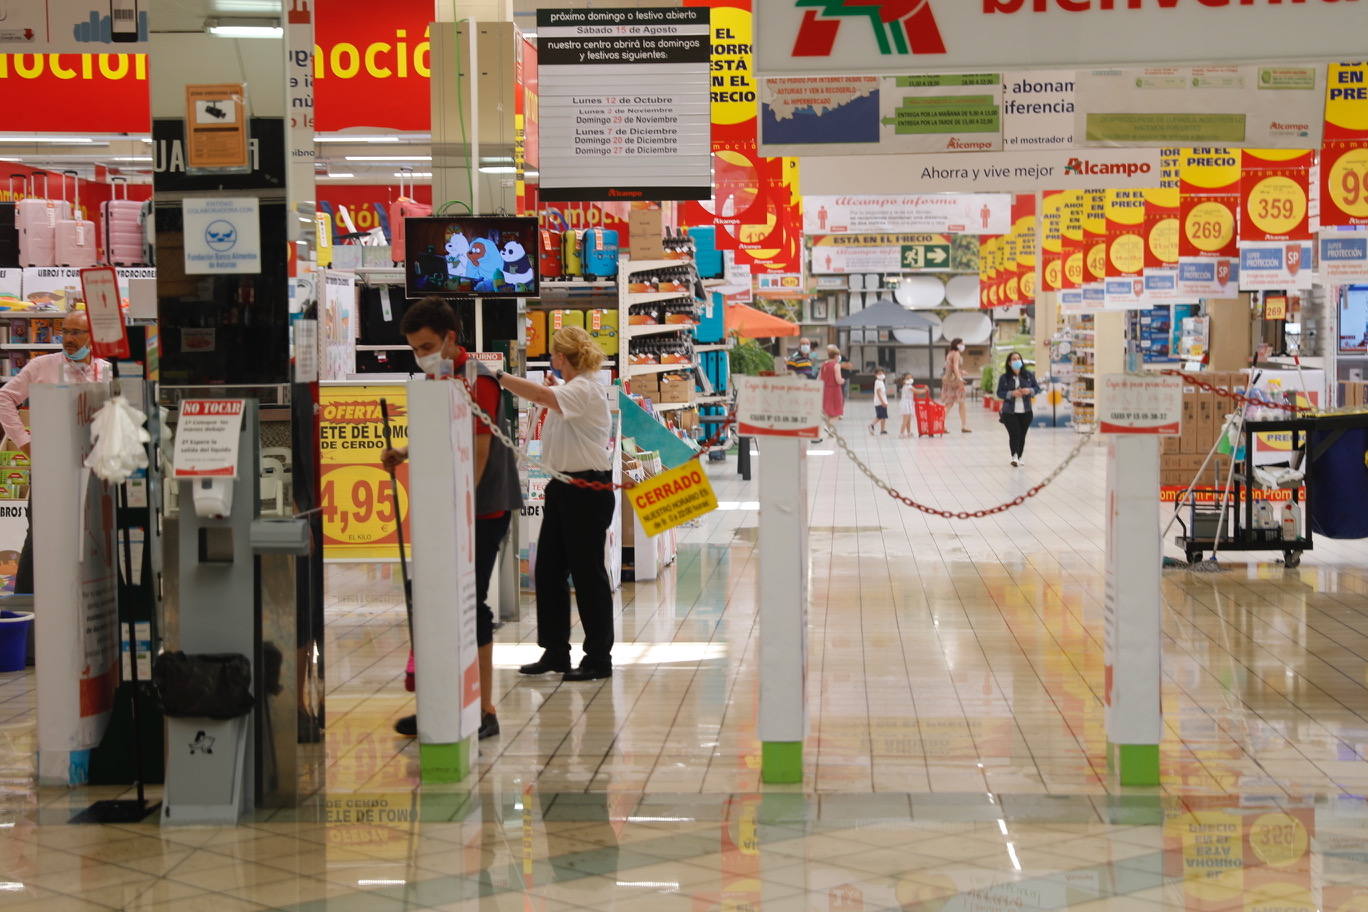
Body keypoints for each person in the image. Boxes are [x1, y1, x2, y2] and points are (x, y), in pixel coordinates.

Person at [382, 297, 523, 740]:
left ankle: (484, 709)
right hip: (449, 510)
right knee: (438, 604)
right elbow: (442, 430)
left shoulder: (478, 380)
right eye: (413, 348)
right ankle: (442, 702)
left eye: (426, 345)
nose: (420, 355)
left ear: (449, 338)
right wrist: (403, 451)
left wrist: (462, 509)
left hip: (482, 509)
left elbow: (479, 451)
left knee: (471, 604)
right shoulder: (441, 378)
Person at [494, 326, 616, 682]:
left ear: (563, 356)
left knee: (587, 574)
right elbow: (551, 396)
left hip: (587, 490)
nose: (551, 359)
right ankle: (556, 651)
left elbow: (543, 396)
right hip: (563, 487)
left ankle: (598, 658)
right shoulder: (573, 389)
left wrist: (500, 377)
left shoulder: (585, 390)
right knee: (548, 569)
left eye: (553, 353)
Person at [0, 311, 112, 596]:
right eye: (66, 332)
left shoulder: (107, 371)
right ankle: (24, 606)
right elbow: (5, 397)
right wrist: (23, 442)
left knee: (91, 538)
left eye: (77, 333)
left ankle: (83, 599)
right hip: (49, 466)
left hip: (92, 468)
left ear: (93, 337)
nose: (69, 339)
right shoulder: (42, 366)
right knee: (39, 537)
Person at [996, 351, 1041, 467]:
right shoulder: (1004, 378)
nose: (1016, 361)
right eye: (1014, 359)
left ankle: (1020, 456)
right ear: (1009, 363)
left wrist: (1029, 391)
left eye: (1018, 359)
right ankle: (1014, 456)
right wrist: (1012, 393)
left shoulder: (1029, 375)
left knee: (1022, 434)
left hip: (1026, 411)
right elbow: (999, 393)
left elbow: (1037, 388)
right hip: (1009, 412)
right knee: (1014, 433)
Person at [940, 337, 971, 434]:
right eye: (961, 343)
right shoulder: (957, 354)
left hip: (948, 381)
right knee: (962, 403)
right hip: (956, 382)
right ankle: (964, 425)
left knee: (948, 404)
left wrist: (961, 372)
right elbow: (955, 368)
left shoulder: (949, 353)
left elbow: (950, 368)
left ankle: (941, 424)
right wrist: (960, 378)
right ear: (957, 344)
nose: (963, 345)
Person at [819, 345, 845, 421]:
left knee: (827, 411)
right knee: (836, 412)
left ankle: (827, 428)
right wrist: (843, 380)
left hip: (825, 389)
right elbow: (838, 380)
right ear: (836, 355)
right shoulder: (836, 365)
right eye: (839, 355)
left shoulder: (824, 364)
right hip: (835, 390)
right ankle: (829, 428)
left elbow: (820, 377)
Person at [868, 368, 890, 435]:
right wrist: (882, 402)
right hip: (879, 402)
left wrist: (885, 401)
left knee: (883, 416)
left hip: (882, 402)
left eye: (882, 373)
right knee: (880, 416)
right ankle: (871, 425)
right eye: (879, 373)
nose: (881, 375)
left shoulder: (881, 382)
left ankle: (882, 430)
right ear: (876, 375)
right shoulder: (878, 382)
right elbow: (878, 393)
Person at [897, 373, 916, 438]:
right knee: (905, 420)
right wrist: (924, 390)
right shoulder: (909, 386)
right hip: (906, 405)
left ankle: (909, 432)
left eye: (911, 378)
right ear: (904, 380)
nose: (910, 379)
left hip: (908, 404)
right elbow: (916, 391)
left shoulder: (906, 386)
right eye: (907, 378)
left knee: (908, 420)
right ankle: (901, 433)